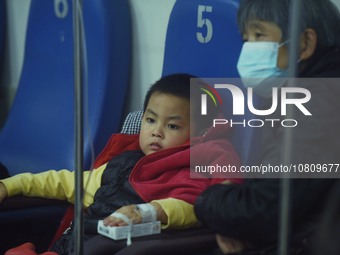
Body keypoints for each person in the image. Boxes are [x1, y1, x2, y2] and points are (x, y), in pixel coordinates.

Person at [0, 73, 241, 255]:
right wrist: (11, 186)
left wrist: (146, 211)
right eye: (150, 120)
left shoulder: (187, 173)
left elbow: (191, 207)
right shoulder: (121, 163)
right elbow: (65, 183)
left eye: (172, 126)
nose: (156, 132)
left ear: (200, 133)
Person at [194, 0, 340, 254]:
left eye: (259, 35)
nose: (249, 49)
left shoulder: (319, 104)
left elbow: (265, 210)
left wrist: (210, 199)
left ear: (304, 43)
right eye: (246, 39)